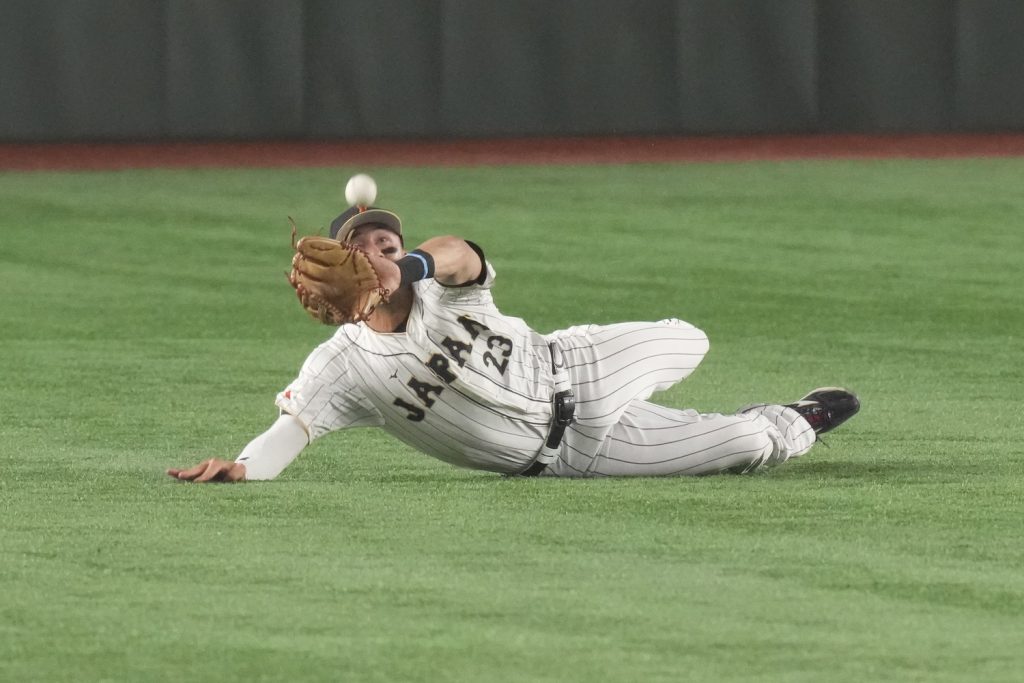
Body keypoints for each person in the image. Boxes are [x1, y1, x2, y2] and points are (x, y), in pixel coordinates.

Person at [168, 201, 859, 483]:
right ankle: (798, 417)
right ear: (340, 273)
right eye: (364, 246)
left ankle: (747, 410)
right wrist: (244, 468)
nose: (381, 248)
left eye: (389, 240)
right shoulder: (343, 368)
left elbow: (461, 251)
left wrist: (405, 267)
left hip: (584, 366)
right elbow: (290, 430)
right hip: (571, 457)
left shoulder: (440, 283)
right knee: (746, 446)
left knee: (692, 339)